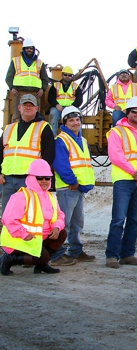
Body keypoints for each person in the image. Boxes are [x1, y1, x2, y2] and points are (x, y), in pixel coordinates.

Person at [105, 97, 137, 268]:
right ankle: (112, 256)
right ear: (126, 113)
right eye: (134, 111)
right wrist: (133, 172)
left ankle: (128, 254)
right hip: (123, 181)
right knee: (118, 219)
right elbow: (116, 156)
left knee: (134, 220)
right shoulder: (117, 132)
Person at [1, 159, 66, 275]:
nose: (44, 181)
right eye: (39, 178)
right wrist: (23, 234)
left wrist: (56, 227)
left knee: (62, 233)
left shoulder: (50, 196)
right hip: (20, 239)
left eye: (47, 178)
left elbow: (60, 215)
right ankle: (10, 258)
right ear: (31, 178)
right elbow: (8, 219)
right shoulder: (22, 196)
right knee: (42, 257)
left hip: (38, 238)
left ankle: (41, 265)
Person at [50, 106, 96, 267]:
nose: (75, 123)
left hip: (78, 188)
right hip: (68, 188)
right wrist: (73, 182)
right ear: (65, 123)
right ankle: (56, 255)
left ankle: (76, 251)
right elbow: (61, 165)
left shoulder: (82, 140)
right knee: (64, 224)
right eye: (71, 120)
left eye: (77, 120)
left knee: (77, 223)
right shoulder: (61, 140)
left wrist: (82, 184)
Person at [0, 94, 55, 217]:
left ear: (36, 109)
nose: (28, 108)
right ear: (19, 107)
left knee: (28, 216)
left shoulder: (43, 127)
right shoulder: (9, 128)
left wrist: (40, 178)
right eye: (25, 105)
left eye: (31, 105)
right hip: (7, 180)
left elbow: (48, 155)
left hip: (29, 180)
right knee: (7, 216)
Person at [5, 38, 49, 123]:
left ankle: (34, 135)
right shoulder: (16, 61)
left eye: (31, 48)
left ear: (33, 49)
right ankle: (15, 134)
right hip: (19, 92)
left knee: (35, 116)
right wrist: (12, 88)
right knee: (17, 115)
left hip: (35, 93)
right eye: (27, 48)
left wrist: (42, 89)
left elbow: (45, 79)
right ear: (24, 49)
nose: (29, 50)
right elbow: (8, 77)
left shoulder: (40, 63)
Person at [48, 65, 83, 136]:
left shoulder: (76, 86)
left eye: (69, 75)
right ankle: (52, 138)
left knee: (78, 116)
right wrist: (56, 105)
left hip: (72, 107)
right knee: (53, 114)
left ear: (72, 76)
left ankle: (78, 137)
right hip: (58, 108)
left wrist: (73, 107)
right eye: (65, 75)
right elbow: (50, 97)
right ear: (62, 75)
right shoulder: (55, 85)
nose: (67, 76)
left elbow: (80, 99)